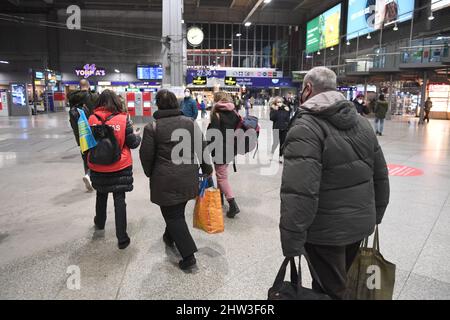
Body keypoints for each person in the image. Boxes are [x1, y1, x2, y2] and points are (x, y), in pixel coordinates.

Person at [280, 67, 390, 300]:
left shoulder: (306, 127)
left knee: (333, 290)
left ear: (308, 89)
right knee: (336, 283)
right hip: (358, 225)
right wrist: (374, 216)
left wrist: (292, 241)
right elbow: (380, 175)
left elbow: (300, 192)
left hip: (324, 232)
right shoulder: (361, 123)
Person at [139, 89, 213, 270]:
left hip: (165, 179)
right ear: (176, 103)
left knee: (172, 214)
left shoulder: (152, 127)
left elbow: (145, 155)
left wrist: (151, 173)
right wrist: (207, 168)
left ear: (158, 104)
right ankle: (169, 236)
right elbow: (201, 147)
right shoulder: (189, 123)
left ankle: (188, 257)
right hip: (188, 177)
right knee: (176, 211)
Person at [88, 89, 141, 250]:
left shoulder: (91, 119)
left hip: (98, 164)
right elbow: (132, 143)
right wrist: (137, 135)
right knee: (119, 200)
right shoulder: (123, 119)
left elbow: (84, 143)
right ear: (116, 102)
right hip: (119, 165)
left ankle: (100, 223)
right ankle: (122, 238)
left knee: (101, 194)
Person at [207, 91, 241, 218]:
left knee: (221, 177)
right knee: (222, 173)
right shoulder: (234, 112)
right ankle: (220, 198)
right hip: (231, 148)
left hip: (220, 149)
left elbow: (213, 135)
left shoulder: (217, 114)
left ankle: (233, 205)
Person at [68, 79, 99, 192]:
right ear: (89, 85)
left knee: (84, 153)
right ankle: (91, 175)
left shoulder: (72, 97)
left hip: (80, 130)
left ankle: (87, 173)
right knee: (95, 153)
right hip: (92, 128)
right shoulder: (94, 96)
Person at [270, 96, 291, 163]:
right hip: (276, 128)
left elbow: (288, 119)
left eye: (280, 102)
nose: (279, 103)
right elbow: (272, 118)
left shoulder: (286, 109)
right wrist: (275, 110)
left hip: (284, 128)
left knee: (282, 143)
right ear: (275, 103)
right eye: (278, 102)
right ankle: (272, 153)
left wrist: (288, 111)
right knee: (275, 143)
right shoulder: (273, 109)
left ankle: (281, 156)